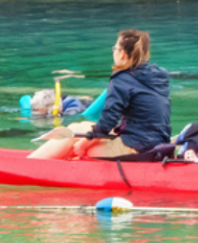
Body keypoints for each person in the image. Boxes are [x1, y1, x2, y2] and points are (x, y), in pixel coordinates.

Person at [30, 30, 170, 161]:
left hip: (137, 149)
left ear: (122, 53)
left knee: (74, 132)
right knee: (82, 125)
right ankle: (45, 158)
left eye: (114, 49)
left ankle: (31, 165)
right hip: (158, 146)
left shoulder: (122, 78)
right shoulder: (157, 76)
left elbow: (109, 119)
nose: (113, 52)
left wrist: (85, 143)